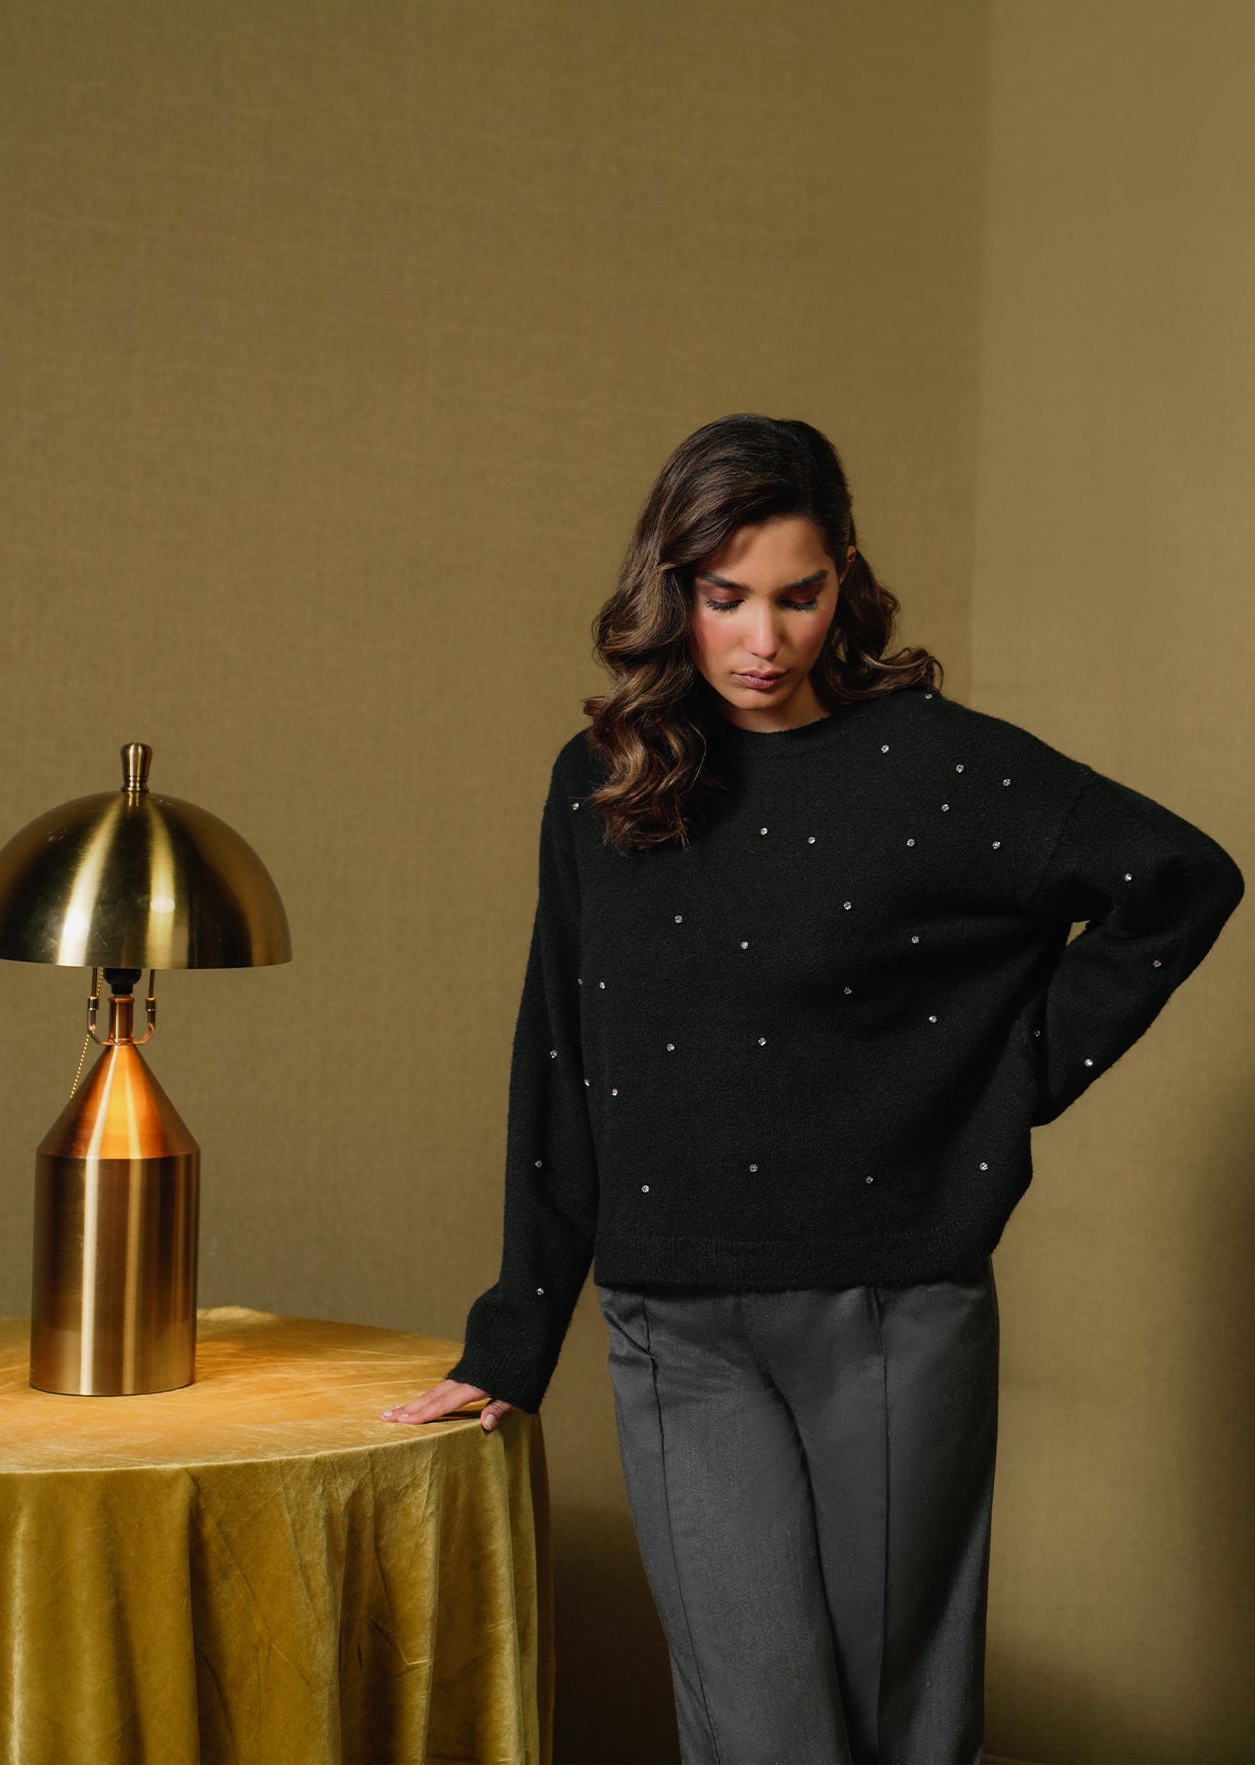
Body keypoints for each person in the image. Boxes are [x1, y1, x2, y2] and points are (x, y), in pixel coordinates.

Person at [379, 414, 1244, 1764]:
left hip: (888, 1313)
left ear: (846, 578)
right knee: (757, 1735)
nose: (762, 640)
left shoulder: (939, 766)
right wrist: (514, 1335)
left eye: (798, 595)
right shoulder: (602, 783)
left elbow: (1179, 880)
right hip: (673, 1328)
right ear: (672, 588)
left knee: (903, 1729)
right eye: (724, 598)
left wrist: (1009, 1080)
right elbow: (558, 1046)